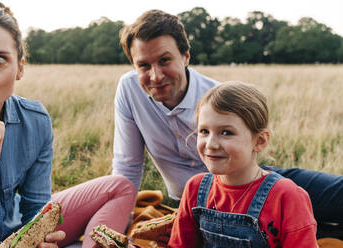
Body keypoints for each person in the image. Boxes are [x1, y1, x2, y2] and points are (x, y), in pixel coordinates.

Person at [112, 9, 343, 243]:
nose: (156, 76)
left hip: (250, 178)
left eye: (164, 60)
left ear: (185, 56)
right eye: (143, 65)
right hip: (201, 201)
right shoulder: (130, 90)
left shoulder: (218, 99)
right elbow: (127, 165)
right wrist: (122, 226)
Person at [0, 1, 136, 248]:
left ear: (19, 69)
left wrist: (40, 239)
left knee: (120, 187)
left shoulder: (34, 121)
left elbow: (36, 212)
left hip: (15, 232)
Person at [168, 81, 318, 247]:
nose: (210, 144)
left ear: (260, 141)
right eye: (204, 131)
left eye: (226, 132)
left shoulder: (286, 196)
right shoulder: (195, 189)